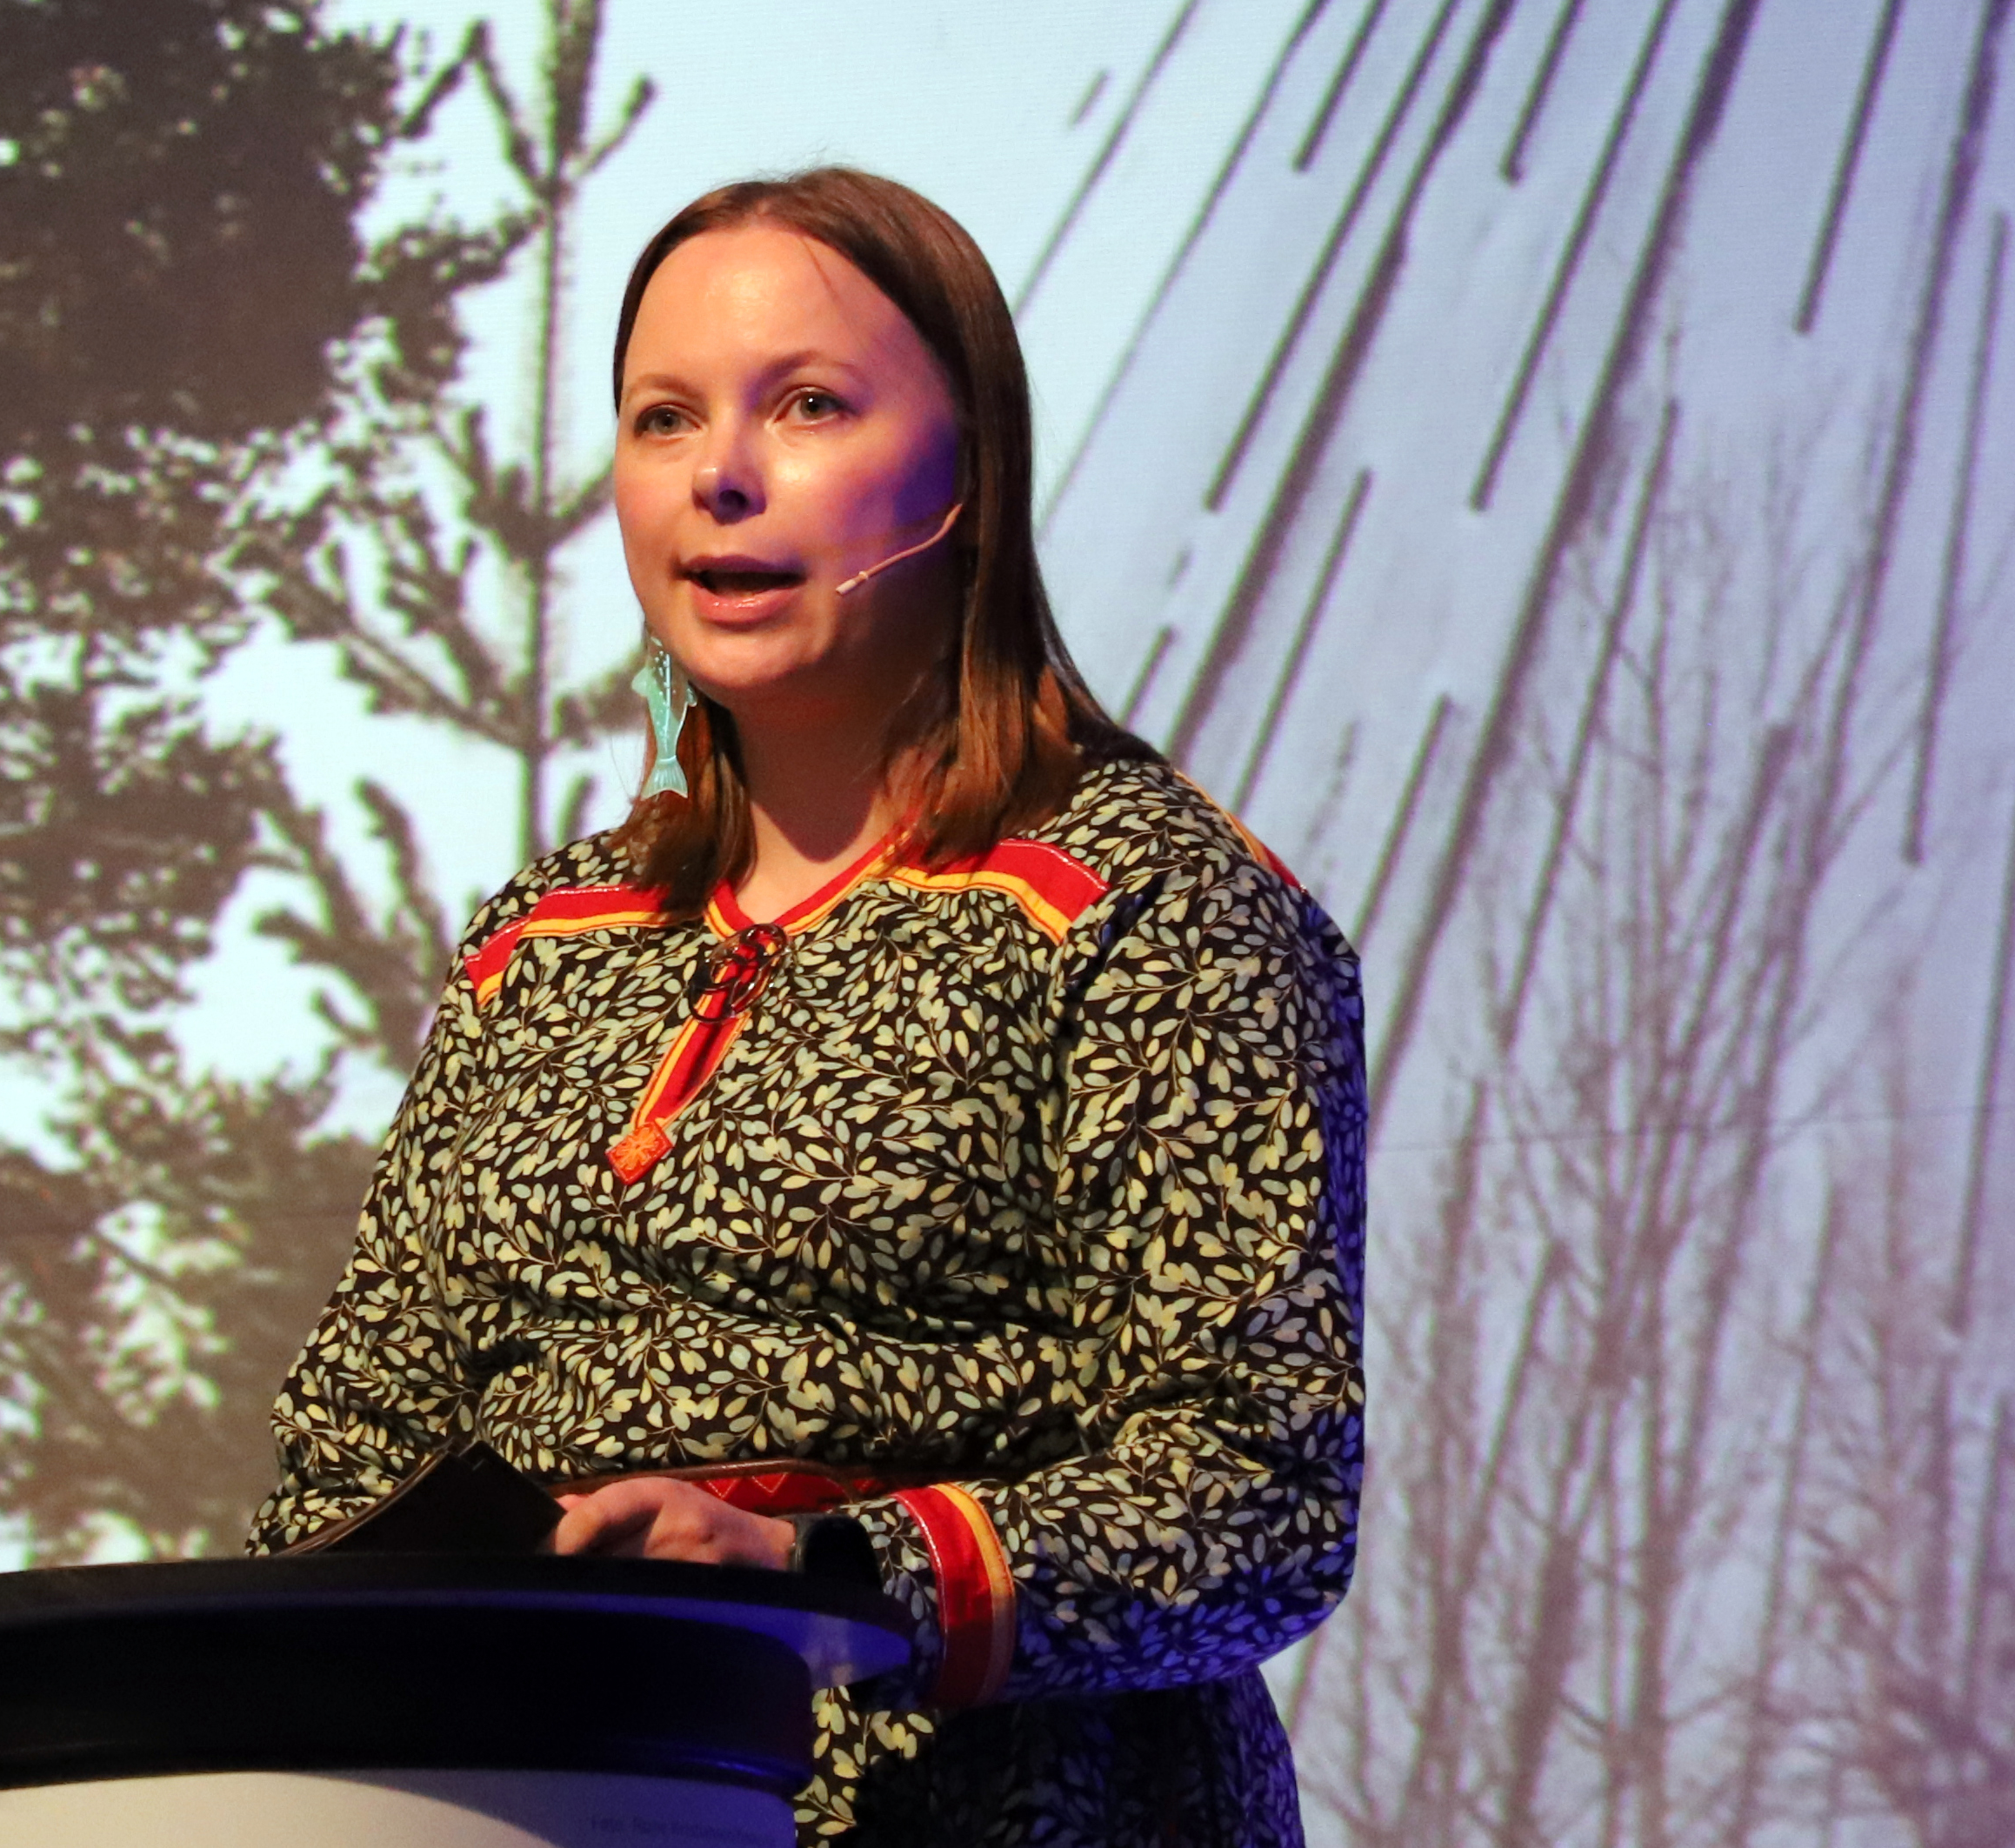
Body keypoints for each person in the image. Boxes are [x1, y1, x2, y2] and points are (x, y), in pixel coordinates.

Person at [249, 166, 1365, 1848]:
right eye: (663, 417)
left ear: (971, 475)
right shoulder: (543, 941)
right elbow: (353, 1454)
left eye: (809, 405)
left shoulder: (1143, 900)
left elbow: (1259, 1491)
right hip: (549, 1804)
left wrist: (815, 1576)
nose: (720, 472)